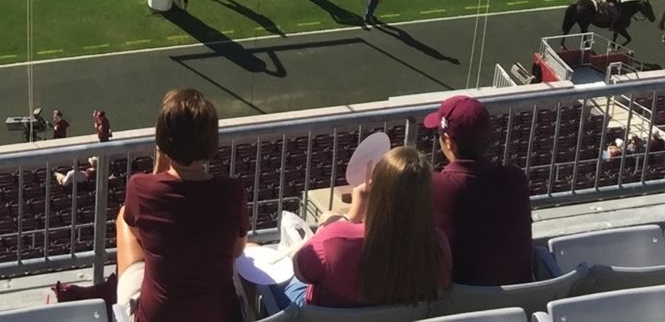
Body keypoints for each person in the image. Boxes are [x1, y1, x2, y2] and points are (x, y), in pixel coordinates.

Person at [115, 88, 245, 322]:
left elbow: (141, 236)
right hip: (222, 315)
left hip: (159, 316)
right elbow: (237, 250)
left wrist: (158, 169)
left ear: (161, 141)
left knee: (123, 217)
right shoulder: (232, 191)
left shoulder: (140, 188)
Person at [273, 146, 449, 309]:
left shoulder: (333, 240)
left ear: (375, 189)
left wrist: (344, 220)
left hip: (319, 314)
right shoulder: (438, 245)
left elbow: (300, 271)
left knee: (271, 279)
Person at [427, 95, 532, 285]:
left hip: (461, 302)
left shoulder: (433, 186)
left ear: (447, 141)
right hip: (517, 301)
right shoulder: (516, 180)